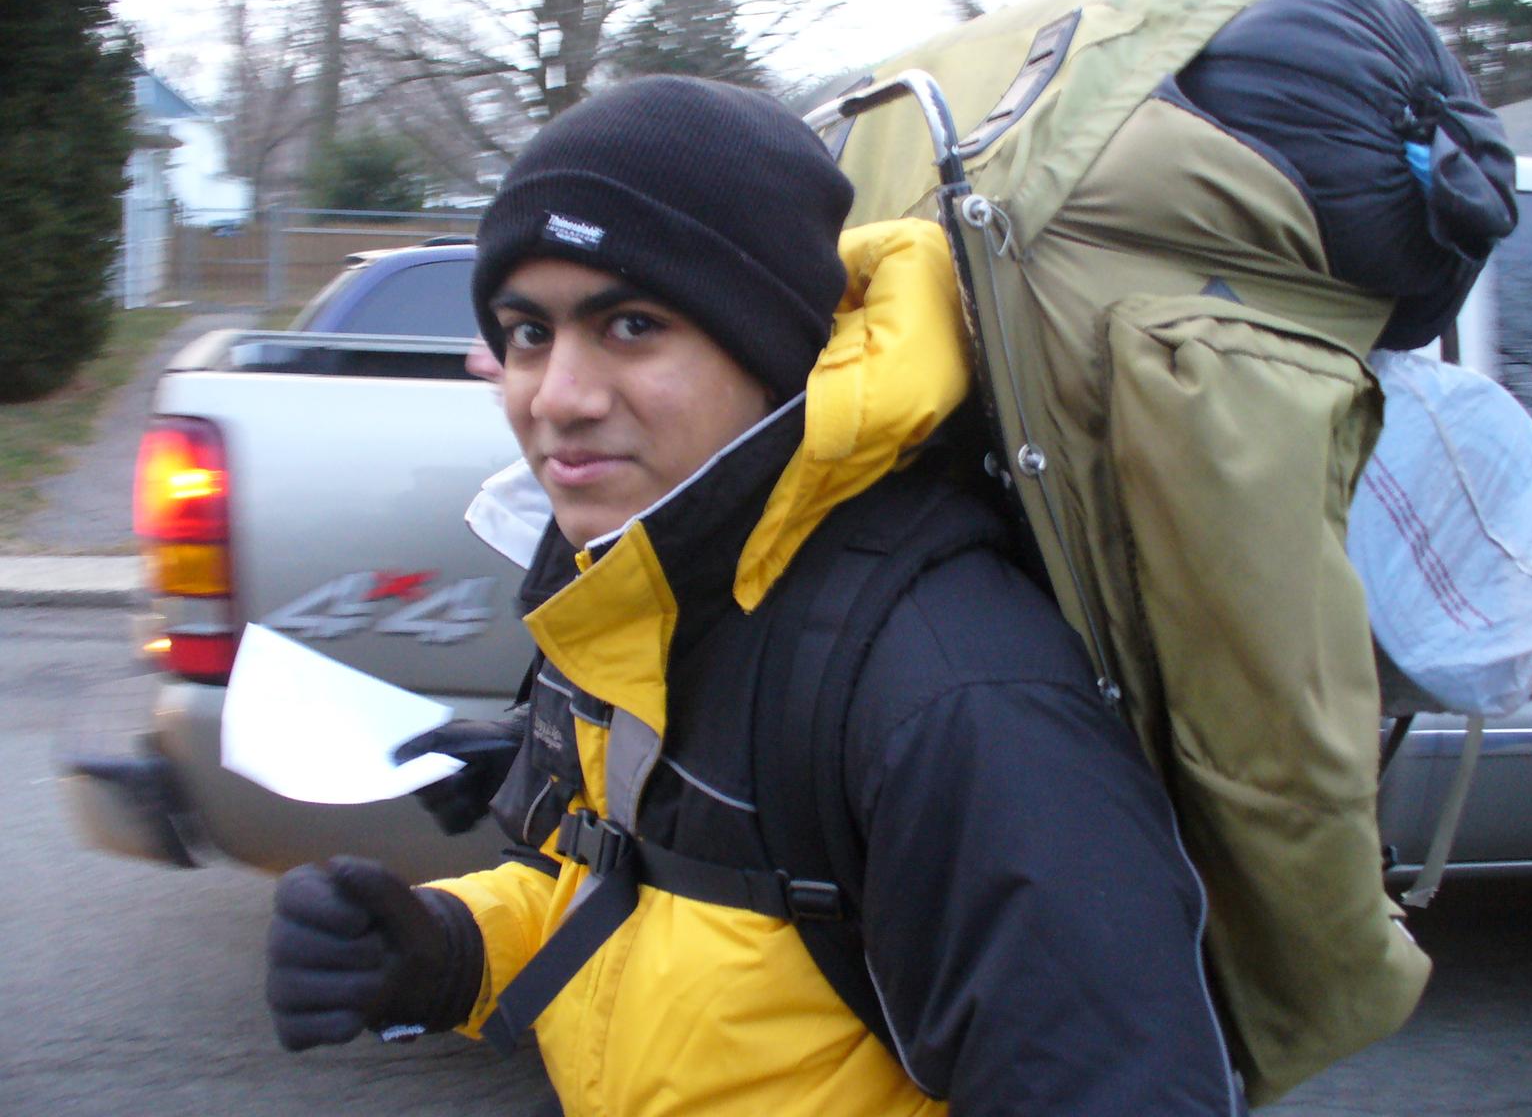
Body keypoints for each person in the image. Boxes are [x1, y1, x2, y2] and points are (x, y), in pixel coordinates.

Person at [264, 75, 1243, 1115]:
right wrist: (445, 952)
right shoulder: (640, 588)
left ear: (771, 350)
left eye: (631, 324)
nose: (557, 396)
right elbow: (653, 909)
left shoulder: (953, 694)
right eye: (528, 333)